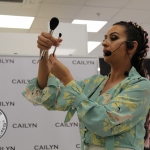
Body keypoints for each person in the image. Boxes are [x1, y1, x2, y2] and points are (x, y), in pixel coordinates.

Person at [22, 21, 150, 150]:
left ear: (132, 46)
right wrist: (44, 52)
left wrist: (66, 78)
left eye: (113, 38)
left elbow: (104, 123)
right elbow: (49, 95)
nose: (104, 43)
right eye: (105, 38)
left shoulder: (141, 86)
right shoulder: (93, 83)